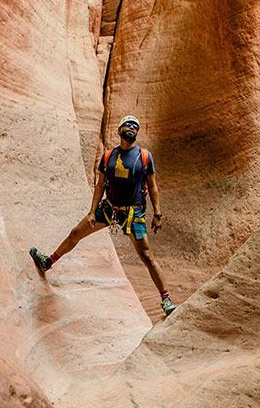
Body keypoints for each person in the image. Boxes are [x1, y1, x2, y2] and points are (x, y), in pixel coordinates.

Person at [30, 115, 176, 317]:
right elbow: (100, 185)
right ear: (119, 130)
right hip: (108, 208)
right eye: (128, 125)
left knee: (147, 256)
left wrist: (157, 212)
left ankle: (166, 298)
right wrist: (92, 212)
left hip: (133, 214)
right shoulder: (109, 157)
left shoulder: (144, 156)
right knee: (75, 233)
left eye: (135, 127)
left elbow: (152, 186)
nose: (132, 129)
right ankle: (48, 262)